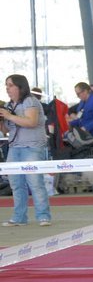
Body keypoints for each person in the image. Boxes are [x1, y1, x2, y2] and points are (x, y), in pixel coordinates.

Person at [0, 75, 53, 227]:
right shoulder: (11, 105)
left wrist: (9, 115)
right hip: (14, 147)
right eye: (6, 85)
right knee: (16, 184)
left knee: (35, 182)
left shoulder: (30, 101)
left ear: (19, 86)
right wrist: (2, 121)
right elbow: (8, 130)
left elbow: (31, 122)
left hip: (33, 147)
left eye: (10, 85)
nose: (7, 88)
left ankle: (43, 216)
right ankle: (19, 217)